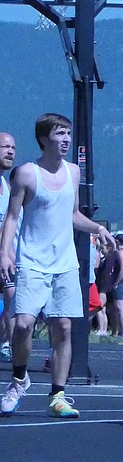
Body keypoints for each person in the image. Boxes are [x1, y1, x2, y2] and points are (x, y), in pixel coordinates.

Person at [0, 113, 115, 418]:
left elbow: (73, 214)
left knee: (63, 326)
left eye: (67, 134)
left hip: (64, 264)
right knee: (23, 324)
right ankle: (19, 380)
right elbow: (12, 216)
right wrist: (4, 253)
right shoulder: (26, 174)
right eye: (59, 134)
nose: (65, 139)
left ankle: (57, 395)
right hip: (32, 261)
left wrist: (98, 229)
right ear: (43, 139)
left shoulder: (73, 173)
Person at [0, 132, 16, 361]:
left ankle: (14, 353)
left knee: (14, 300)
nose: (11, 151)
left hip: (7, 259)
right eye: (5, 146)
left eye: (13, 147)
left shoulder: (8, 185)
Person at [107, 233, 123, 338]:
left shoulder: (121, 253)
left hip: (122, 282)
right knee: (118, 308)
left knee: (120, 308)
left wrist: (116, 282)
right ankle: (120, 331)